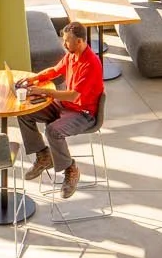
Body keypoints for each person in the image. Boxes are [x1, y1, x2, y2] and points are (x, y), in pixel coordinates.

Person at [16, 23, 104, 197]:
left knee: (53, 131)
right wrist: (34, 79)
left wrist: (43, 91)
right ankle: (44, 155)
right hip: (65, 107)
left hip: (83, 114)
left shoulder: (91, 64)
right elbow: (55, 70)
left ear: (79, 41)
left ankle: (71, 169)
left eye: (67, 41)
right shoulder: (71, 55)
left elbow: (72, 96)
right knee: (24, 111)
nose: (64, 45)